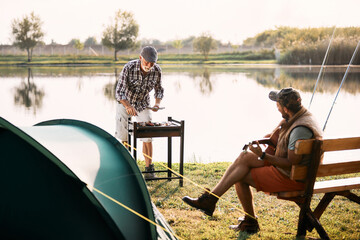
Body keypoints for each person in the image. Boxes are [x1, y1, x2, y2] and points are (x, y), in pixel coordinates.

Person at [182, 87, 323, 233]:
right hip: (297, 173)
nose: (276, 107)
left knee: (240, 175)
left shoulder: (299, 129)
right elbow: (285, 143)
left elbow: (291, 162)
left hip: (292, 178)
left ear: (285, 109)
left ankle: (242, 218)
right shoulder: (302, 117)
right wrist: (268, 140)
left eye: (278, 105)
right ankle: (211, 200)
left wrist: (263, 156)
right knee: (244, 158)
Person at [115, 46, 164, 179]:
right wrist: (128, 105)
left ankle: (149, 169)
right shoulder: (129, 68)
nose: (149, 65)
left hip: (143, 104)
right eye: (146, 62)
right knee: (124, 136)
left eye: (152, 63)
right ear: (140, 58)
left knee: (147, 134)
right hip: (124, 102)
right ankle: (128, 167)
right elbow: (119, 91)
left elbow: (159, 89)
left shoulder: (157, 70)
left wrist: (157, 104)